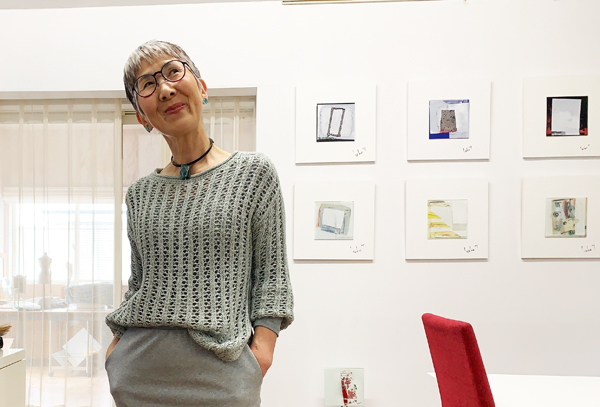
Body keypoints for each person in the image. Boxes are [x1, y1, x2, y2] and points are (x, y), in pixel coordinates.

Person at [104, 40, 294, 407]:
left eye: (173, 71)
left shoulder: (254, 173)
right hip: (138, 375)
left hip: (224, 377)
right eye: (147, 84)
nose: (165, 89)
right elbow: (139, 282)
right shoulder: (140, 194)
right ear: (142, 118)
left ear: (202, 88)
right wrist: (116, 352)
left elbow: (271, 277)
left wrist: (261, 353)